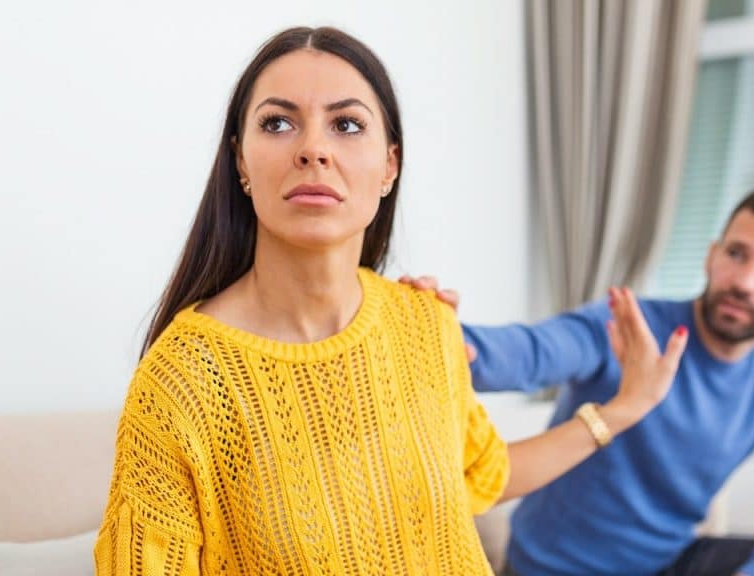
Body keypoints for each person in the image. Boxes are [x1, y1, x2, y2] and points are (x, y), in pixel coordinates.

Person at [93, 26, 688, 575]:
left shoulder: (425, 323)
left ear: (389, 165)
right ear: (241, 163)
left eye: (347, 125)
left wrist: (625, 408)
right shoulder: (182, 383)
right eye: (278, 123)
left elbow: (482, 476)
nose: (313, 149)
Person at [406, 187, 754, 576]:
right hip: (555, 569)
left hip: (669, 563)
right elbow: (529, 352)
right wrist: (432, 334)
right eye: (736, 254)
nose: (745, 281)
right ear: (711, 257)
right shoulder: (629, 325)